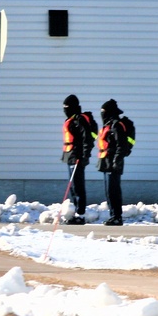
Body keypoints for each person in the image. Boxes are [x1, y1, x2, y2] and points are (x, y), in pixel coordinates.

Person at [61, 94, 96, 225]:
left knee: (78, 186)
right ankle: (76, 212)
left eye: (67, 107)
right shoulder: (71, 120)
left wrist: (83, 156)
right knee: (73, 186)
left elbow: (87, 139)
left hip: (76, 157)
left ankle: (80, 214)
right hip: (70, 156)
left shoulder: (79, 120)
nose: (65, 110)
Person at [97, 99, 126, 226]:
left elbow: (121, 145)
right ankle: (113, 215)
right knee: (109, 191)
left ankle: (117, 216)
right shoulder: (108, 125)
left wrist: (116, 160)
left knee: (113, 190)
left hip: (113, 162)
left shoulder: (116, 125)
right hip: (106, 162)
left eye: (104, 112)